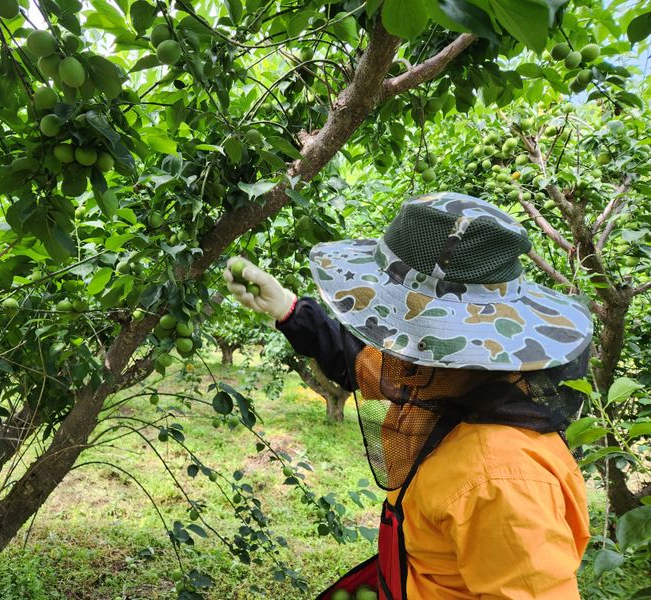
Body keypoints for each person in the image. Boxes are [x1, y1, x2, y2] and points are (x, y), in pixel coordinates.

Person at [224, 192, 592, 600]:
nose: (390, 347)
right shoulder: (440, 383)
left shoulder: (502, 479)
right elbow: (361, 364)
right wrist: (289, 310)